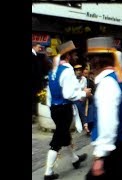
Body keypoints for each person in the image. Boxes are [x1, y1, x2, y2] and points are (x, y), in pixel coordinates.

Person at [85, 37, 122, 180]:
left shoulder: (106, 84)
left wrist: (100, 155)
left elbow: (108, 122)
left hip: (112, 152)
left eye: (90, 61)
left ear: (96, 62)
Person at [44, 40, 92, 180]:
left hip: (55, 108)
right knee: (58, 139)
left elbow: (49, 92)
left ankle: (75, 160)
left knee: (65, 135)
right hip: (64, 109)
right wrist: (84, 94)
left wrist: (51, 106)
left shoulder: (54, 70)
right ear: (68, 55)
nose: (76, 56)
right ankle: (48, 172)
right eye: (74, 53)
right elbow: (68, 94)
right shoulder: (68, 70)